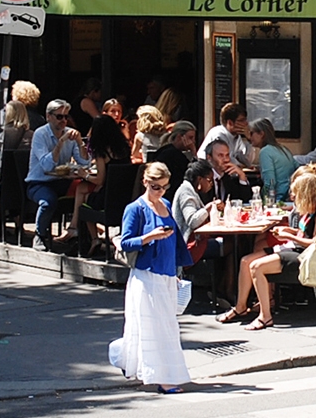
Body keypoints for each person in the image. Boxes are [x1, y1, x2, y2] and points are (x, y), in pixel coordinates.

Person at [220, 169, 316, 330]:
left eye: (296, 193)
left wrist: (290, 237)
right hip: (292, 248)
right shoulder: (309, 210)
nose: (293, 197)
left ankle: (265, 316)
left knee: (256, 267)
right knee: (245, 261)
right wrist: (287, 232)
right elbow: (302, 232)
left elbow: (314, 242)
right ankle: (240, 306)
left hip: (304, 255)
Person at [108, 162, 192, 393]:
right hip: (146, 276)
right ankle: (163, 378)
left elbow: (174, 244)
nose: (161, 192)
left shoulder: (165, 204)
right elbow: (124, 242)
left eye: (165, 187)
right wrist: (148, 237)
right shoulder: (135, 208)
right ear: (145, 182)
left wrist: (176, 271)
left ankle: (128, 360)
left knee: (166, 326)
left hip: (165, 275)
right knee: (155, 327)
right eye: (156, 187)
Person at [25, 99, 92, 252]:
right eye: (59, 116)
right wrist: (60, 143)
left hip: (63, 180)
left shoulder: (70, 133)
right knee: (48, 202)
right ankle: (39, 235)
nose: (63, 120)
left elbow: (85, 163)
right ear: (48, 116)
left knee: (87, 193)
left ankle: (80, 235)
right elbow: (47, 165)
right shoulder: (40, 134)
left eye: (66, 117)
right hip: (40, 182)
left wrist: (80, 142)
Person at [72, 114, 133, 255]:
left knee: (85, 202)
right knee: (83, 189)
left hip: (107, 202)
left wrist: (84, 175)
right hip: (124, 198)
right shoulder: (124, 148)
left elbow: (100, 180)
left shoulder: (103, 152)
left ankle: (93, 238)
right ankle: (75, 229)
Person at [250, 118, 297, 203]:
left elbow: (270, 182)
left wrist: (266, 201)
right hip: (289, 196)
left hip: (278, 199)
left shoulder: (265, 152)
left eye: (251, 133)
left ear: (261, 134)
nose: (250, 137)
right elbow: (296, 167)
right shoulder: (284, 149)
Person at [151, 120, 198, 199]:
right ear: (180, 137)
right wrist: (193, 153)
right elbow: (194, 174)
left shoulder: (168, 150)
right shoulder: (173, 154)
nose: (193, 141)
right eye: (190, 138)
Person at [201, 102, 253, 170]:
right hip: (208, 172)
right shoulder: (219, 134)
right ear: (230, 123)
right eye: (241, 120)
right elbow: (226, 161)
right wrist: (240, 166)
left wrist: (250, 140)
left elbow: (247, 161)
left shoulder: (237, 137)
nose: (246, 123)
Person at [204, 138, 253, 203]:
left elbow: (245, 201)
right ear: (209, 158)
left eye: (227, 155)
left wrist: (242, 176)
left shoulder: (228, 177)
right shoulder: (204, 178)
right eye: (220, 155)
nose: (226, 160)